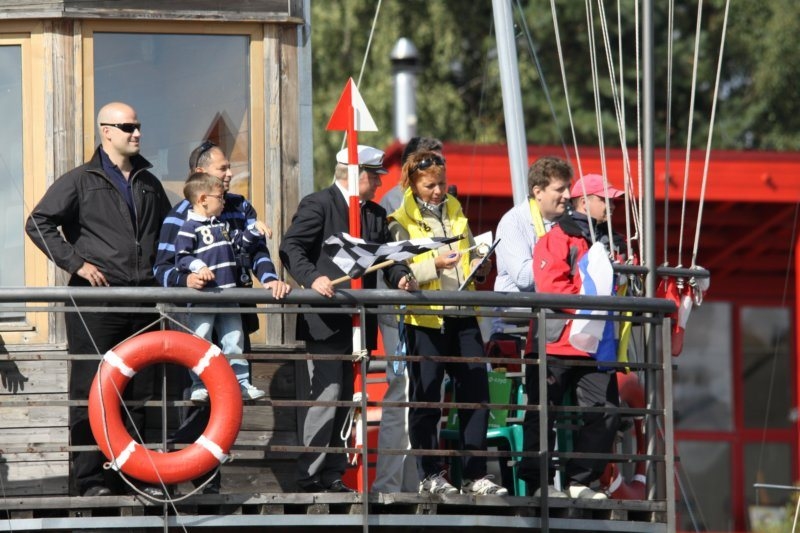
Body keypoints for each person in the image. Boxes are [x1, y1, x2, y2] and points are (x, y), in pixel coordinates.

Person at [25, 102, 172, 498]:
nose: (136, 133)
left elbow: (172, 230)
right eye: (127, 127)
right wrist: (76, 263)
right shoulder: (80, 179)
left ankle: (137, 478)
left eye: (138, 125)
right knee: (90, 389)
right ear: (106, 131)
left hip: (143, 301)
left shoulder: (148, 182)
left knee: (138, 394)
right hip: (96, 304)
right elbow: (38, 222)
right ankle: (90, 482)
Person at [279, 144, 417, 493]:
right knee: (329, 396)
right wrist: (313, 278)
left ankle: (333, 475)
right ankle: (309, 477)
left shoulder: (374, 214)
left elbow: (386, 257)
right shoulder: (318, 204)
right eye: (375, 177)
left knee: (349, 398)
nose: (380, 184)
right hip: (326, 321)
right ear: (358, 176)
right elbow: (291, 247)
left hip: (359, 322)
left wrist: (401, 276)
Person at [155, 141, 290, 495]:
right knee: (199, 399)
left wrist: (270, 278)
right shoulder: (178, 217)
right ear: (201, 174)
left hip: (233, 310)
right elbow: (162, 268)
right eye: (223, 168)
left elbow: (256, 252)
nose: (230, 174)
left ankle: (211, 480)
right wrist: (187, 280)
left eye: (230, 168)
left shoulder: (241, 206)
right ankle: (188, 475)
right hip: (195, 317)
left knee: (230, 393)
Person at [387, 150, 507, 496]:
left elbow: (468, 254)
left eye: (441, 183)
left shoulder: (455, 209)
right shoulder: (399, 220)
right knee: (426, 398)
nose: (438, 191)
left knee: (477, 395)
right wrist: (435, 265)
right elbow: (399, 271)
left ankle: (475, 475)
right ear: (412, 184)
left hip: (463, 313)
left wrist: (481, 267)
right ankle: (430, 475)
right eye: (430, 186)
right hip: (425, 318)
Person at [524, 173, 626, 500]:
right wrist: (593, 304)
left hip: (591, 346)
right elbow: (550, 286)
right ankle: (538, 485)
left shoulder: (612, 243)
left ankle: (579, 481)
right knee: (542, 413)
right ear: (584, 201)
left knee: (607, 411)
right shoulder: (557, 237)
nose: (611, 206)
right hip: (554, 342)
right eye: (605, 200)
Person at [373, 136, 443, 494]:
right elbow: (397, 265)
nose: (437, 174)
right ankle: (388, 487)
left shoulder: (445, 204)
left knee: (428, 395)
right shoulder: (394, 203)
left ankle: (419, 483)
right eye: (428, 163)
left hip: (433, 313)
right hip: (402, 312)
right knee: (402, 393)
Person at [174, 172, 271, 402]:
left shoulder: (222, 225)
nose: (224, 201)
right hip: (203, 298)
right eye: (220, 197)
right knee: (201, 340)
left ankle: (241, 383)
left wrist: (254, 230)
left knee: (234, 341)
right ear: (203, 199)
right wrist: (198, 267)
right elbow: (181, 257)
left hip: (228, 295)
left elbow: (240, 244)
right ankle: (200, 384)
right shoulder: (188, 227)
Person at [491, 156, 573, 342]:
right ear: (538, 192)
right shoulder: (513, 222)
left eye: (568, 187)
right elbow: (523, 277)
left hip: (557, 323)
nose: (568, 195)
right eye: (560, 189)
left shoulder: (569, 220)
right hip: (516, 329)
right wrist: (560, 257)